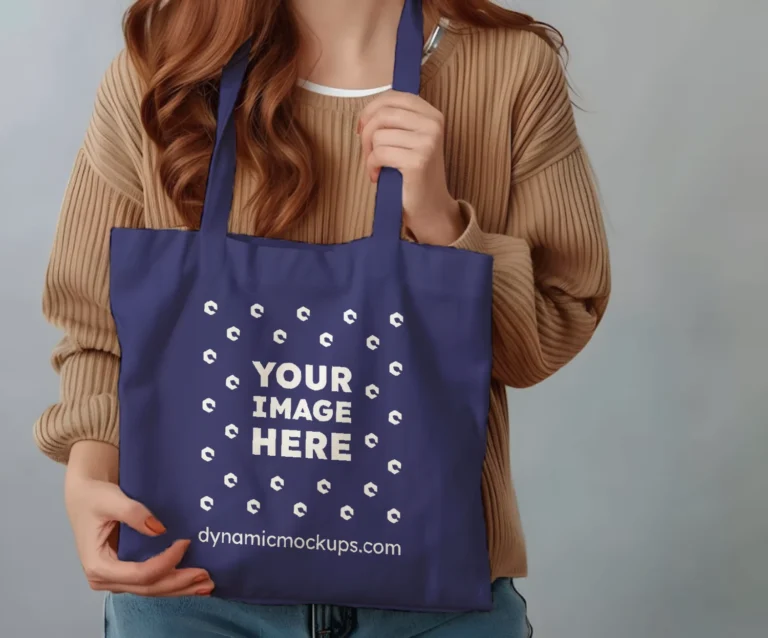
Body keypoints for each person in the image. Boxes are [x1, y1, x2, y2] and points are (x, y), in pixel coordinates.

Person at [35, 0, 610, 635]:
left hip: (430, 604)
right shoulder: (165, 71)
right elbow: (96, 330)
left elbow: (551, 330)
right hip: (189, 592)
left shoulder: (510, 70)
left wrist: (444, 225)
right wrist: (88, 473)